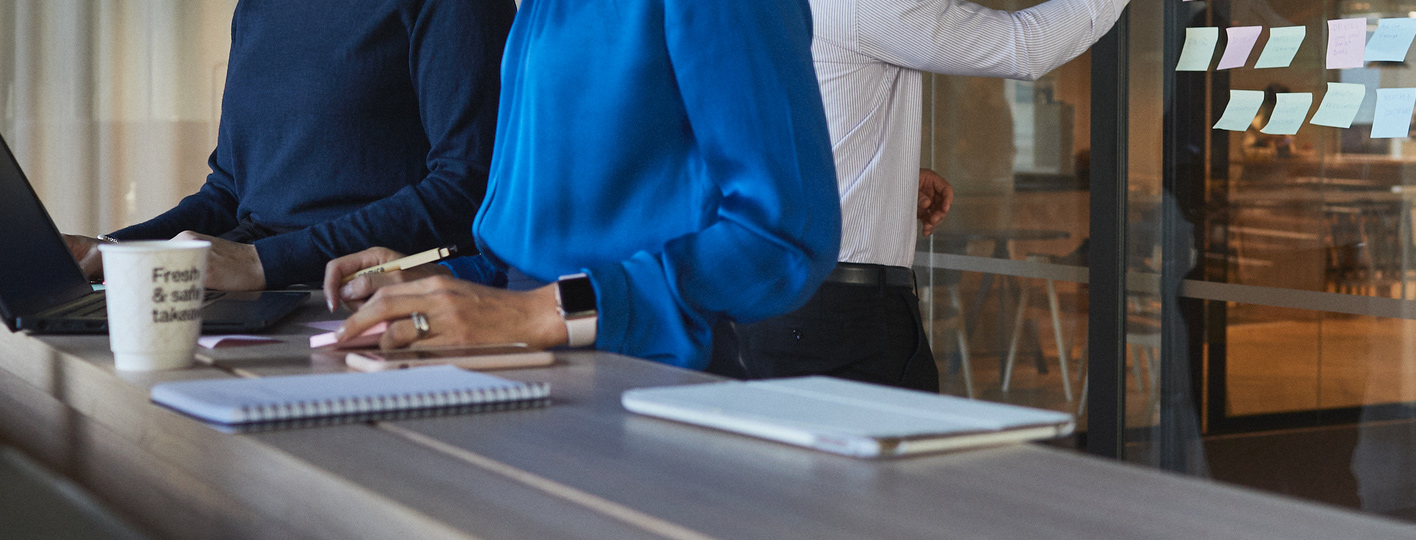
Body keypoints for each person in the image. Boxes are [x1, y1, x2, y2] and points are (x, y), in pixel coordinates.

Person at [322, 0, 842, 369]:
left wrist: (541, 312)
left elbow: (785, 237)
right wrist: (437, 282)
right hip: (524, 370)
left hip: (645, 380)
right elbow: (534, 258)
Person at [716, 0, 1128, 392]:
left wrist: (887, 181)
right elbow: (1023, 46)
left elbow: (778, 133)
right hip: (843, 312)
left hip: (769, 302)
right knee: (893, 463)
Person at [63, 0, 515, 291]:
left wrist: (264, 264)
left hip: (359, 294)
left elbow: (468, 188)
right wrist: (113, 252)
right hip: (253, 288)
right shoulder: (258, 9)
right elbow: (230, 193)